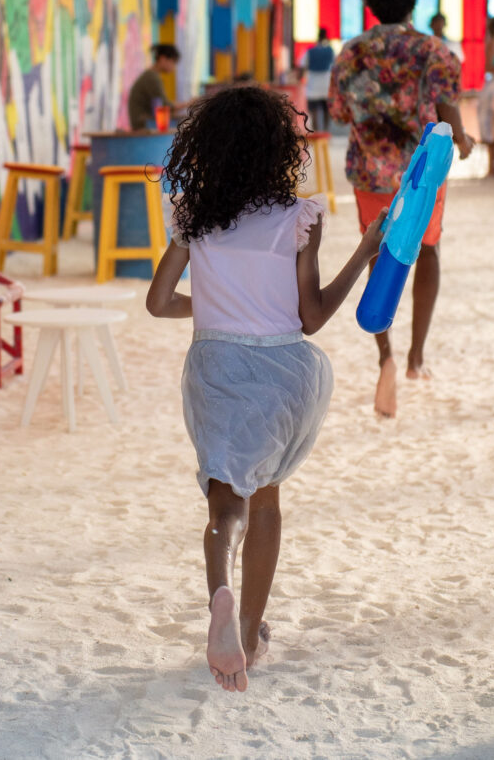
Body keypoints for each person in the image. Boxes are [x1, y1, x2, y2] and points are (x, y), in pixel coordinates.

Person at [146, 85, 385, 693]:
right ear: (280, 150)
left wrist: (217, 307)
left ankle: (220, 594)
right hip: (284, 371)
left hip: (216, 366)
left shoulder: (193, 217)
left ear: (209, 148)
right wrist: (365, 252)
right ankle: (250, 634)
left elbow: (157, 302)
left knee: (226, 504)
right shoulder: (299, 218)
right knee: (268, 501)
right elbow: (311, 317)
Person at [329, 0, 475, 417]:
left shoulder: (351, 53)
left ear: (371, 5)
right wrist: (463, 140)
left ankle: (385, 356)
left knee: (378, 254)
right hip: (422, 173)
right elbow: (448, 112)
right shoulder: (434, 51)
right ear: (414, 2)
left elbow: (339, 112)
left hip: (370, 171)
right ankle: (416, 359)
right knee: (427, 250)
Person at [127, 44, 181, 130]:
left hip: (144, 122)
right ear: (163, 58)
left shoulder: (151, 75)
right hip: (143, 125)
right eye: (173, 62)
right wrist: (190, 104)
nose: (173, 67)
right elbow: (166, 106)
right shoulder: (152, 77)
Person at [303, 29, 335, 132]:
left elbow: (302, 65)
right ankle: (325, 131)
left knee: (314, 111)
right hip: (326, 84)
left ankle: (317, 132)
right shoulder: (330, 50)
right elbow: (336, 65)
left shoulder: (310, 51)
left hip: (313, 85)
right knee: (326, 110)